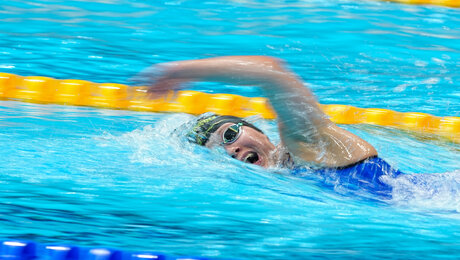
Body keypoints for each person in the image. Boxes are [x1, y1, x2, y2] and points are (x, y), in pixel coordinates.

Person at [143, 56, 402, 197]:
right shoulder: (286, 182)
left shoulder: (305, 145)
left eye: (230, 134)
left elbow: (271, 72)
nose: (231, 150)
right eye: (219, 151)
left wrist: (184, 70)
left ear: (257, 130)